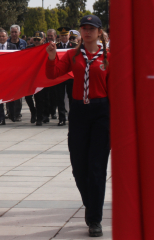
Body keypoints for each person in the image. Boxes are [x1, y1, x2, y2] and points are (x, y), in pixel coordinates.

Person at [46, 15, 110, 238]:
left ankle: (95, 219)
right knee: (78, 166)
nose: (88, 31)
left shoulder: (108, 56)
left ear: (99, 32)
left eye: (92, 28)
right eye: (84, 28)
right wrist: (52, 57)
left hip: (102, 112)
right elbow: (53, 74)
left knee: (96, 168)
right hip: (79, 112)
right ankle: (91, 203)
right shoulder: (74, 55)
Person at [46, 29, 68, 126]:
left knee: (71, 98)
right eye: (62, 35)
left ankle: (71, 117)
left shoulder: (74, 46)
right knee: (60, 98)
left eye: (65, 35)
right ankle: (62, 118)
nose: (64, 37)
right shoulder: (56, 46)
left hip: (70, 77)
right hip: (59, 75)